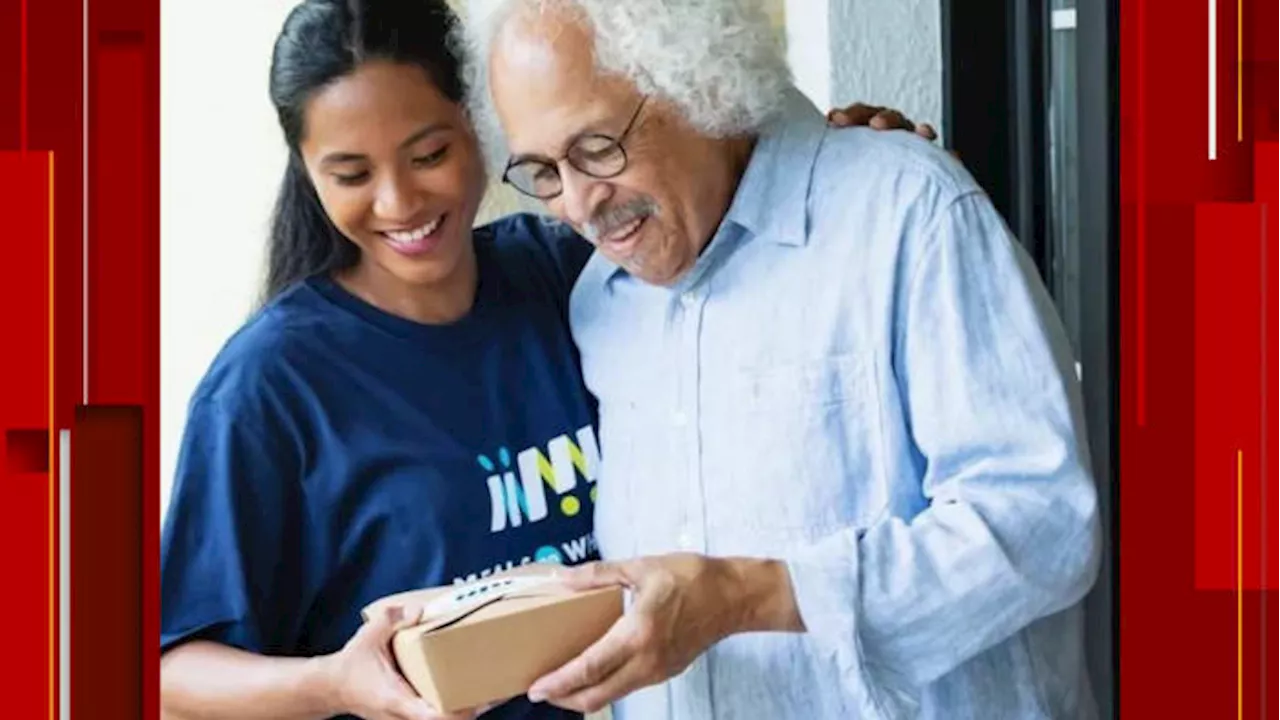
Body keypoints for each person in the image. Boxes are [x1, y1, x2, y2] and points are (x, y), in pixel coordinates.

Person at [158, 1, 929, 719]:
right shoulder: (271, 386)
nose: (397, 203)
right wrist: (335, 683)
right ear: (306, 169)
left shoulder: (575, 275)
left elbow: (732, 246)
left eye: (429, 153)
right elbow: (167, 669)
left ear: (482, 125)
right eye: (351, 174)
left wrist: (838, 170)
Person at [464, 1, 1104, 719]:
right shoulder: (601, 300)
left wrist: (747, 596)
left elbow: (1040, 524)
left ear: (702, 89)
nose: (578, 204)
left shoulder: (905, 211)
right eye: (542, 170)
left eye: (597, 149)